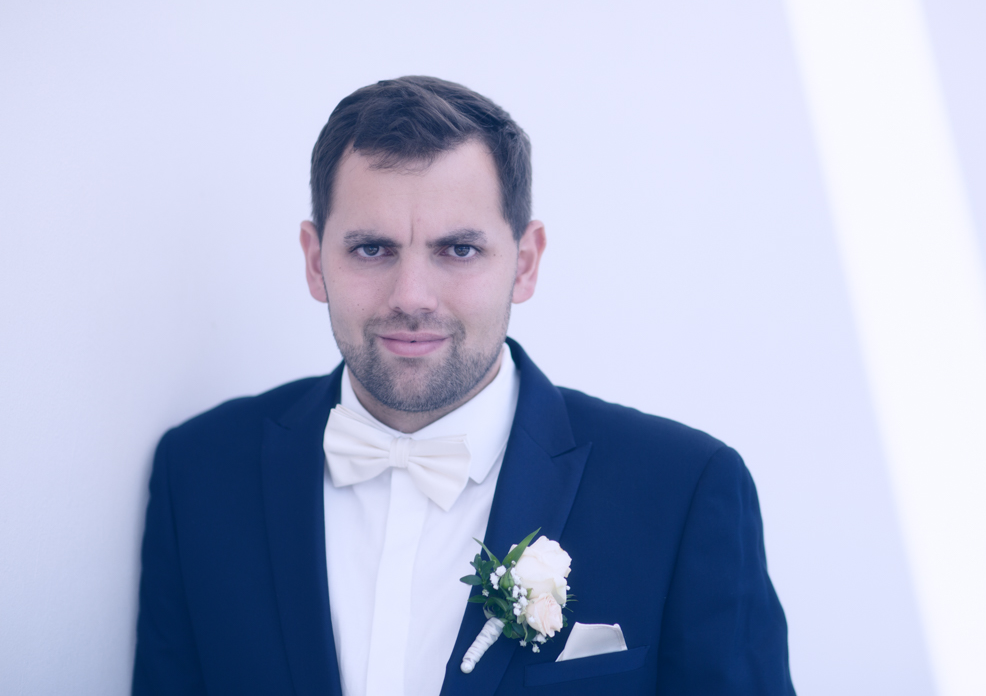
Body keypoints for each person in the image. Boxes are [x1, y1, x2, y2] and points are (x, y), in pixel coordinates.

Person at [132, 76, 794, 696]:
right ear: (315, 261)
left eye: (459, 250)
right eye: (372, 249)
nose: (412, 296)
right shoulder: (199, 472)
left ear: (525, 263)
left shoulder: (683, 489)